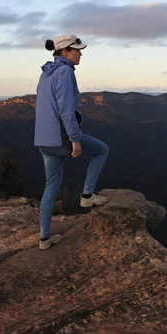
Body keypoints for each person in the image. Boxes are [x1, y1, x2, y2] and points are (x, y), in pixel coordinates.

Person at [34, 34, 109, 250]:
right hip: (61, 138)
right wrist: (75, 140)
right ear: (65, 51)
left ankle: (44, 238)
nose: (80, 53)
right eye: (77, 49)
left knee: (50, 187)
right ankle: (87, 195)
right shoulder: (65, 72)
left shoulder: (46, 73)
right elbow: (66, 109)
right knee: (101, 150)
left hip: (44, 141)